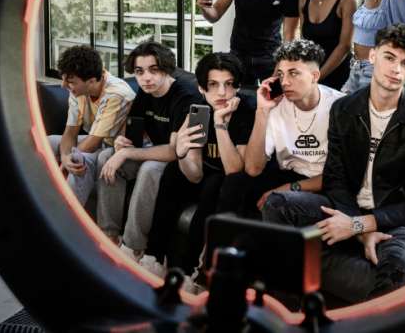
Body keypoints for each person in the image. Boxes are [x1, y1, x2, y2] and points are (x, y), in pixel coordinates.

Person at [263, 24, 405, 304]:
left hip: (398, 219)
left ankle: (364, 299)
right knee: (277, 204)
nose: (396, 69)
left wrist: (362, 225)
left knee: (396, 269)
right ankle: (287, 312)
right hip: (347, 207)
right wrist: (359, 230)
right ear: (372, 56)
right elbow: (335, 179)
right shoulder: (345, 109)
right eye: (389, 57)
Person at [145, 52, 256, 273]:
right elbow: (194, 174)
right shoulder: (197, 109)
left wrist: (220, 124)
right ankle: (154, 256)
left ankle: (190, 270)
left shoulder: (247, 110)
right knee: (172, 171)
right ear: (201, 88)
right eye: (213, 85)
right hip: (203, 175)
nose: (222, 92)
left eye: (229, 84)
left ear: (238, 86)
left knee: (214, 183)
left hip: (229, 182)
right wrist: (182, 153)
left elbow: (234, 170)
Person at [96, 41, 203, 269]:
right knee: (106, 157)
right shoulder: (145, 92)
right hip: (154, 151)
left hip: (179, 162)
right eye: (139, 71)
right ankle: (109, 235)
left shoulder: (185, 96)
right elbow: (132, 133)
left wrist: (128, 153)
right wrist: (121, 142)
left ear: (166, 69)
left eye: (153, 70)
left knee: (149, 167)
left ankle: (133, 246)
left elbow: (175, 151)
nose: (146, 78)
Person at [217, 39, 344, 218]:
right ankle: (221, 236)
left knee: (277, 201)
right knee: (234, 183)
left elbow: (342, 176)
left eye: (293, 73)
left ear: (315, 76)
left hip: (327, 183)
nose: (285, 82)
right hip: (289, 173)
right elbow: (253, 168)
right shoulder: (276, 104)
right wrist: (262, 111)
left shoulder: (340, 106)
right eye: (281, 74)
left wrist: (289, 188)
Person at [50, 45, 135, 205]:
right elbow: (70, 132)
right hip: (96, 140)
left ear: (91, 81)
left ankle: (66, 213)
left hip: (115, 146)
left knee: (78, 160)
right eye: (64, 79)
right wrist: (65, 157)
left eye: (70, 82)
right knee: (48, 142)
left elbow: (93, 143)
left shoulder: (116, 94)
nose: (63, 86)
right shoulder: (78, 90)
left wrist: (69, 160)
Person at [299, 0, 357, 90]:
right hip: (311, 77)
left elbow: (345, 46)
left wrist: (317, 77)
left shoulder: (347, 0)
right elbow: (304, 42)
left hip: (339, 80)